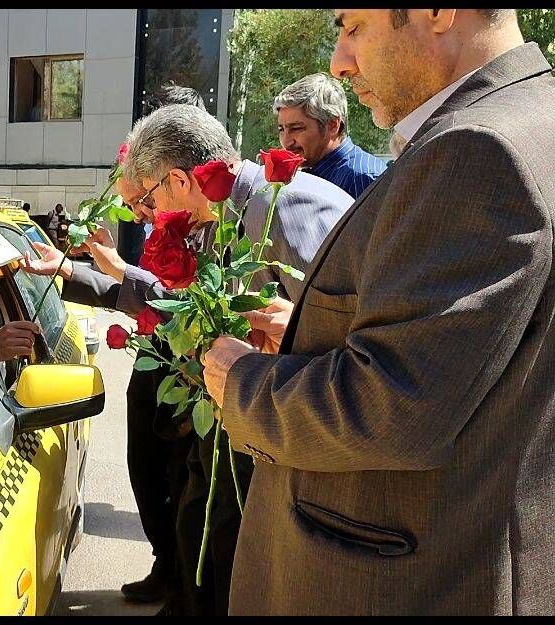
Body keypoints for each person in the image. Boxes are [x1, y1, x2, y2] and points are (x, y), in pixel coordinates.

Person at [201, 9, 554, 615]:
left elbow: (397, 406)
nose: (339, 60)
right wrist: (315, 334)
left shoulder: (478, 148)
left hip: (393, 584)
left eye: (355, 26)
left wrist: (244, 384)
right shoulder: (526, 119)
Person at [25, 103, 353, 615]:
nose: (149, 217)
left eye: (149, 200)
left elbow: (346, 344)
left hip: (282, 439)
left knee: (226, 546)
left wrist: (273, 348)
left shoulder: (285, 209)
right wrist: (78, 275)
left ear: (178, 180)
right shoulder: (222, 215)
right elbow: (174, 299)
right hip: (235, 422)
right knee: (201, 531)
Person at [275, 73, 386, 198]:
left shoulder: (361, 178)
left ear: (333, 125)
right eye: (281, 129)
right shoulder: (316, 171)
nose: (286, 141)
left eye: (296, 128)